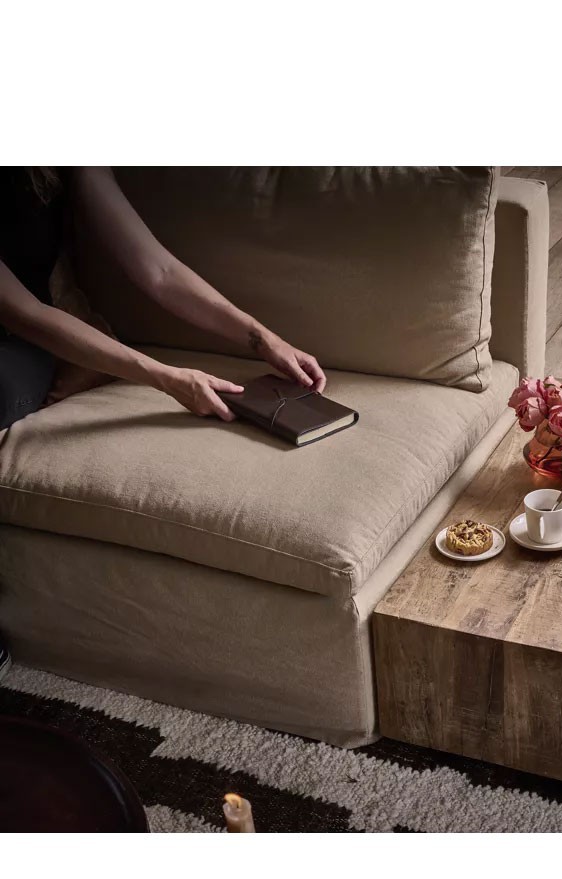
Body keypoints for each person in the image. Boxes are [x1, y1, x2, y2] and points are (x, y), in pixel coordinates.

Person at [0, 166, 329, 679]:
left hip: (23, 344)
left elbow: (159, 271)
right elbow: (22, 312)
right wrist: (167, 377)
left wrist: (264, 339)